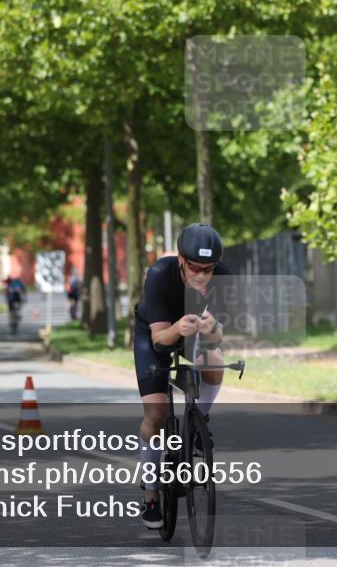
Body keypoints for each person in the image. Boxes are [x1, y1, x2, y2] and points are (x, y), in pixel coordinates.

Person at [132, 223, 231, 529]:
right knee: (157, 413)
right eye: (195, 267)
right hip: (156, 335)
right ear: (180, 261)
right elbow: (161, 339)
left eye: (209, 268)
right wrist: (178, 328)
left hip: (194, 333)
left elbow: (218, 338)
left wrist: (213, 330)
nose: (202, 274)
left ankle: (199, 422)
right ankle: (150, 492)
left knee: (215, 361)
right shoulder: (160, 274)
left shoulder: (224, 279)